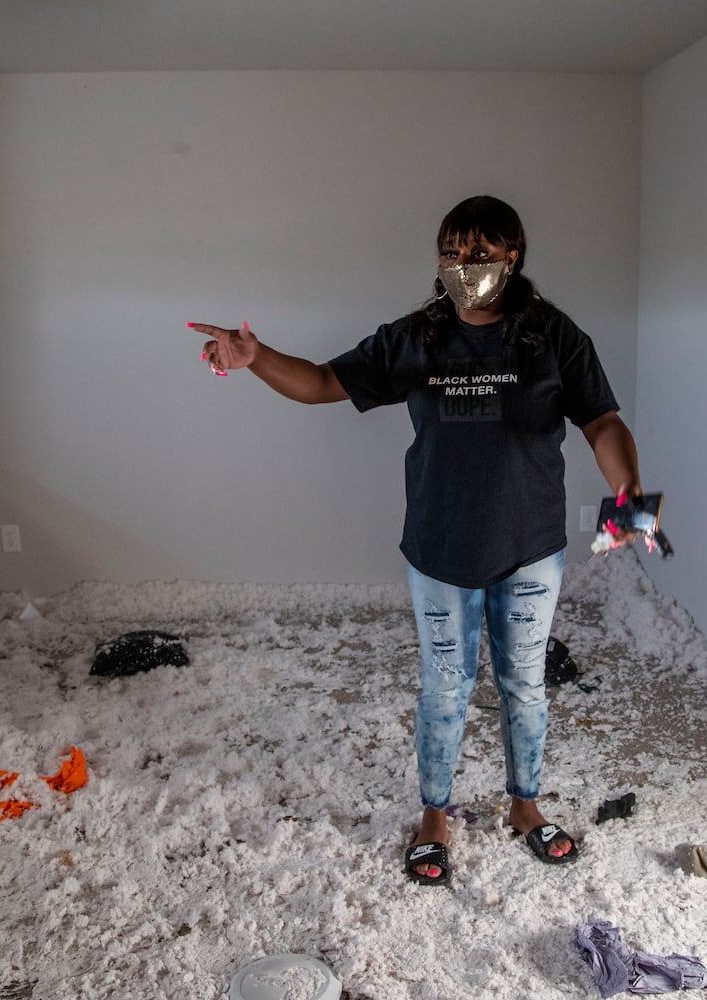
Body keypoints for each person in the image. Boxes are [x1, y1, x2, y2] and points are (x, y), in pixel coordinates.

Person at [189, 195, 646, 887]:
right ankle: (434, 816)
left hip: (530, 548)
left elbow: (602, 422)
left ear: (513, 256)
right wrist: (255, 358)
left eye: (483, 253)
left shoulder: (551, 336)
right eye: (453, 252)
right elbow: (319, 383)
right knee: (445, 689)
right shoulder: (416, 338)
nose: (467, 266)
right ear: (439, 260)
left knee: (524, 685)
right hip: (438, 550)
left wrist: (627, 492)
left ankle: (525, 806)